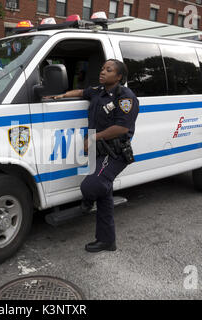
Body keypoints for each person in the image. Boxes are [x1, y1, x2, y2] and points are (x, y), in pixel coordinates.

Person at [51, 59, 139, 253]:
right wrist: (62, 95)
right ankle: (107, 240)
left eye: (108, 70)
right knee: (104, 194)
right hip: (97, 150)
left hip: (114, 151)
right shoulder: (98, 91)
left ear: (119, 77)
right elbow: (82, 92)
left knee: (91, 186)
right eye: (102, 68)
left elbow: (122, 127)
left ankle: (87, 202)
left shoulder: (125, 97)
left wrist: (93, 138)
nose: (103, 72)